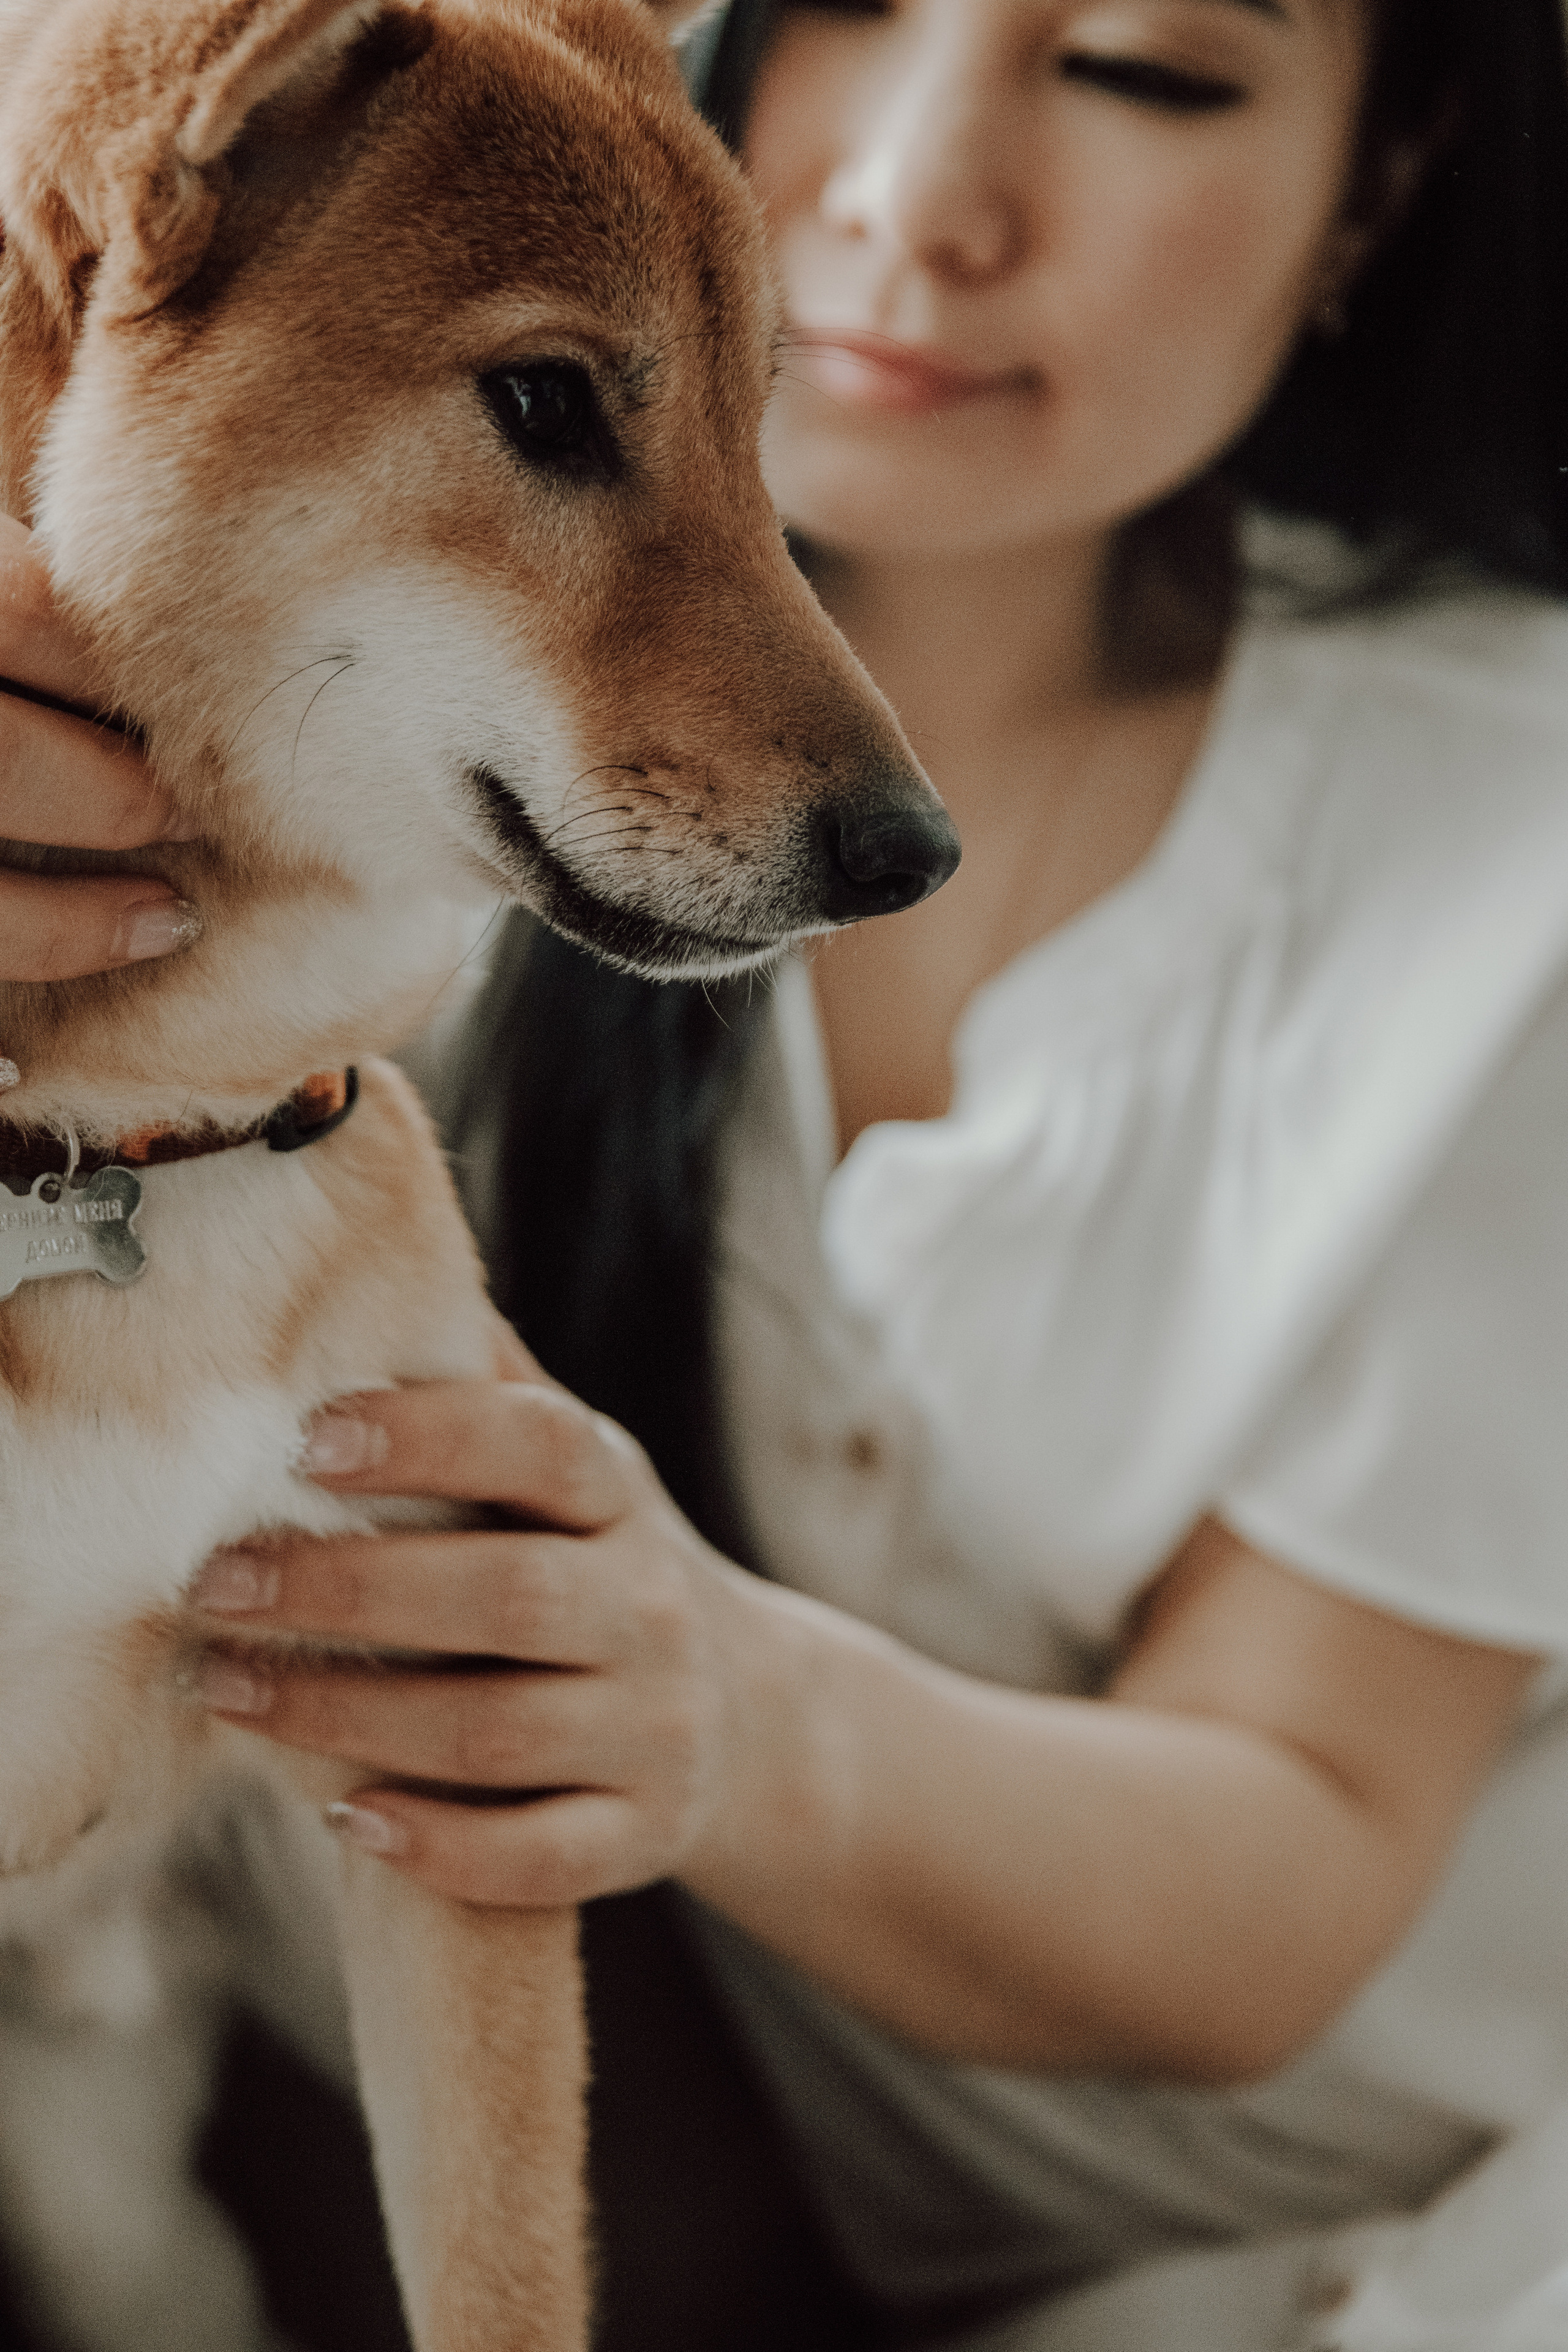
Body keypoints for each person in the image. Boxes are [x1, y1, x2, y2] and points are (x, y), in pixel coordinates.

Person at [9, 0, 1568, 2343]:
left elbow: (1295, 1870)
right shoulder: (385, 709)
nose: (916, 193)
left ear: (1378, 182)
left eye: (1142, 66)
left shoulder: (1507, 872)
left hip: (1338, 2244)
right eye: (842, 6)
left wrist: (710, 1702)